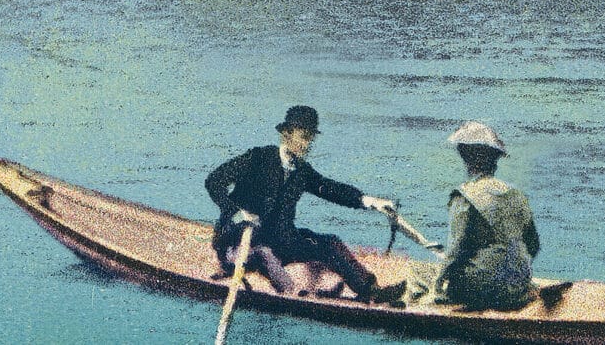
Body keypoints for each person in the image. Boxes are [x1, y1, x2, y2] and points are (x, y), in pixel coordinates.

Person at [205, 105, 407, 304]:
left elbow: (328, 188)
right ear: (286, 134)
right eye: (303, 137)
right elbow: (214, 181)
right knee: (265, 254)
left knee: (329, 243)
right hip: (239, 242)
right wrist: (238, 213)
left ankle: (370, 291)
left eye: (311, 138)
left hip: (280, 242)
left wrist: (369, 201)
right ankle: (294, 294)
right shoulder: (257, 158)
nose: (307, 144)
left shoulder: (301, 171)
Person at [434, 122, 540, 310]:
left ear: (466, 157)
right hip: (519, 285)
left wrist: (437, 285)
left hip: (483, 287)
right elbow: (533, 246)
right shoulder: (516, 194)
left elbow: (455, 250)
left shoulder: (465, 196)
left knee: (417, 272)